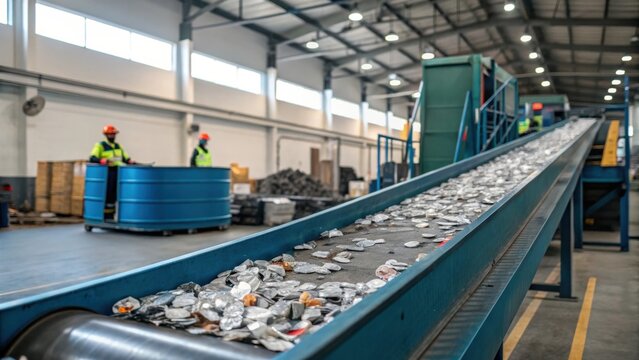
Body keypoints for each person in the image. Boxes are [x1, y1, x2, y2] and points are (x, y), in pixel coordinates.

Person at [89, 125, 134, 220]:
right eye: (110, 134)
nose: (112, 136)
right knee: (108, 194)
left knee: (115, 195)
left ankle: (111, 215)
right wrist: (102, 161)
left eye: (113, 134)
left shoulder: (118, 146)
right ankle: (106, 216)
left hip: (119, 171)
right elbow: (92, 158)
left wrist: (129, 161)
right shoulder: (100, 145)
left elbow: (125, 158)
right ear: (106, 135)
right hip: (107, 172)